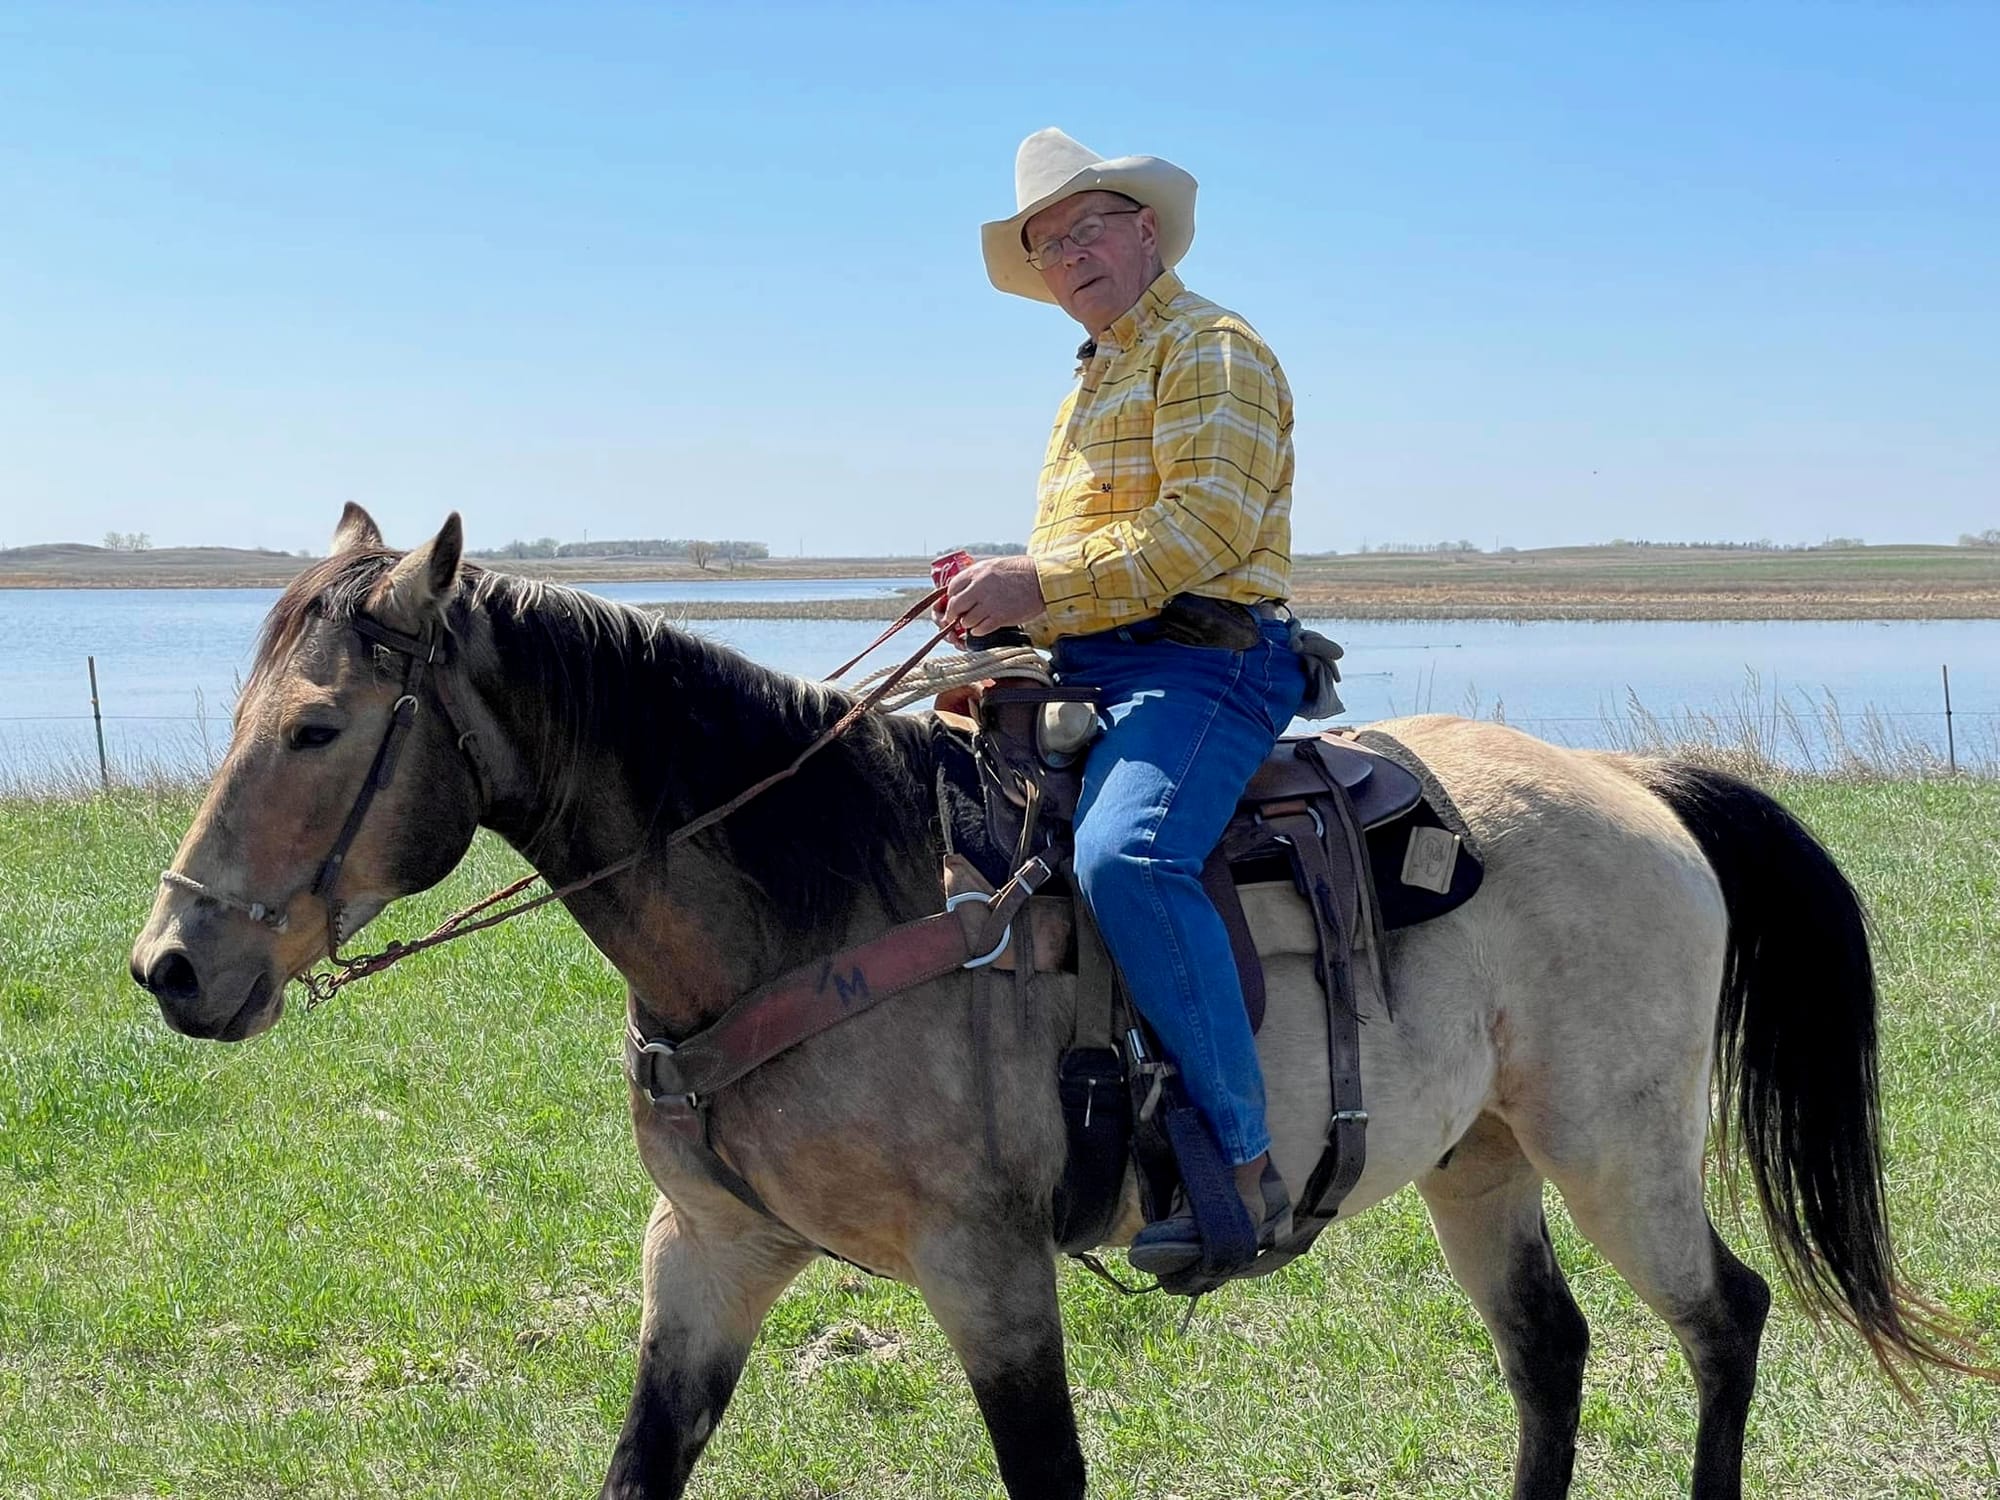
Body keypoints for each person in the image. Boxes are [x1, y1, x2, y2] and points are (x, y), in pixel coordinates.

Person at [941, 127, 1306, 1276]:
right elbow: (1088, 558)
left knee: (1127, 860)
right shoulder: (1090, 378)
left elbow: (1201, 532)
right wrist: (1003, 604)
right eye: (1046, 247)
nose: (1066, 258)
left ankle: (1243, 1166)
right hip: (1094, 664)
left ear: (1144, 229)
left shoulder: (1212, 348)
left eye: (1084, 230)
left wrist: (1034, 583)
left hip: (1205, 663)